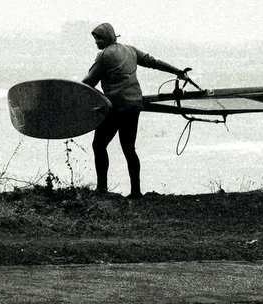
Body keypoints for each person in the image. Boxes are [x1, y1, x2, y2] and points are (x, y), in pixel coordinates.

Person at [81, 22, 191, 198]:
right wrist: (178, 72)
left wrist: (71, 95)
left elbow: (88, 83)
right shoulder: (130, 50)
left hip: (115, 107)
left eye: (99, 38)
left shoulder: (103, 56)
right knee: (129, 148)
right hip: (134, 105)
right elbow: (153, 62)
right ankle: (135, 191)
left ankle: (102, 188)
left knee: (99, 145)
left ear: (108, 37)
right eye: (95, 39)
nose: (96, 42)